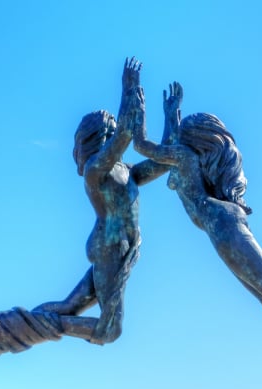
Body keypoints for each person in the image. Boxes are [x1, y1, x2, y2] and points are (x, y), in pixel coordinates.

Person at [131, 79, 262, 316]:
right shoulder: (188, 159)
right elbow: (171, 142)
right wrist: (172, 114)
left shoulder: (184, 157)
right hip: (221, 220)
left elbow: (141, 145)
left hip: (221, 220)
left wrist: (137, 106)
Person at [33, 58, 169, 345]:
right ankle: (39, 325)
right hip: (108, 247)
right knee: (110, 329)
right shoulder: (97, 169)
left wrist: (172, 118)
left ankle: (31, 322)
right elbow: (124, 136)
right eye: (109, 132)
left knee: (67, 307)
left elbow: (162, 163)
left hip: (119, 248)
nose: (113, 136)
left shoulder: (127, 170)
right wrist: (128, 88)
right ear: (101, 136)